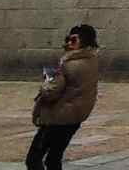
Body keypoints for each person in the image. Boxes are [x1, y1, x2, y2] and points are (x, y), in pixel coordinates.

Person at [27, 24, 99, 170]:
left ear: (83, 41)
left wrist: (47, 81)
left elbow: (50, 92)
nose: (68, 43)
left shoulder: (67, 65)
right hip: (74, 117)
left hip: (58, 117)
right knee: (54, 158)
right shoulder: (92, 61)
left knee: (34, 159)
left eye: (73, 40)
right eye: (68, 39)